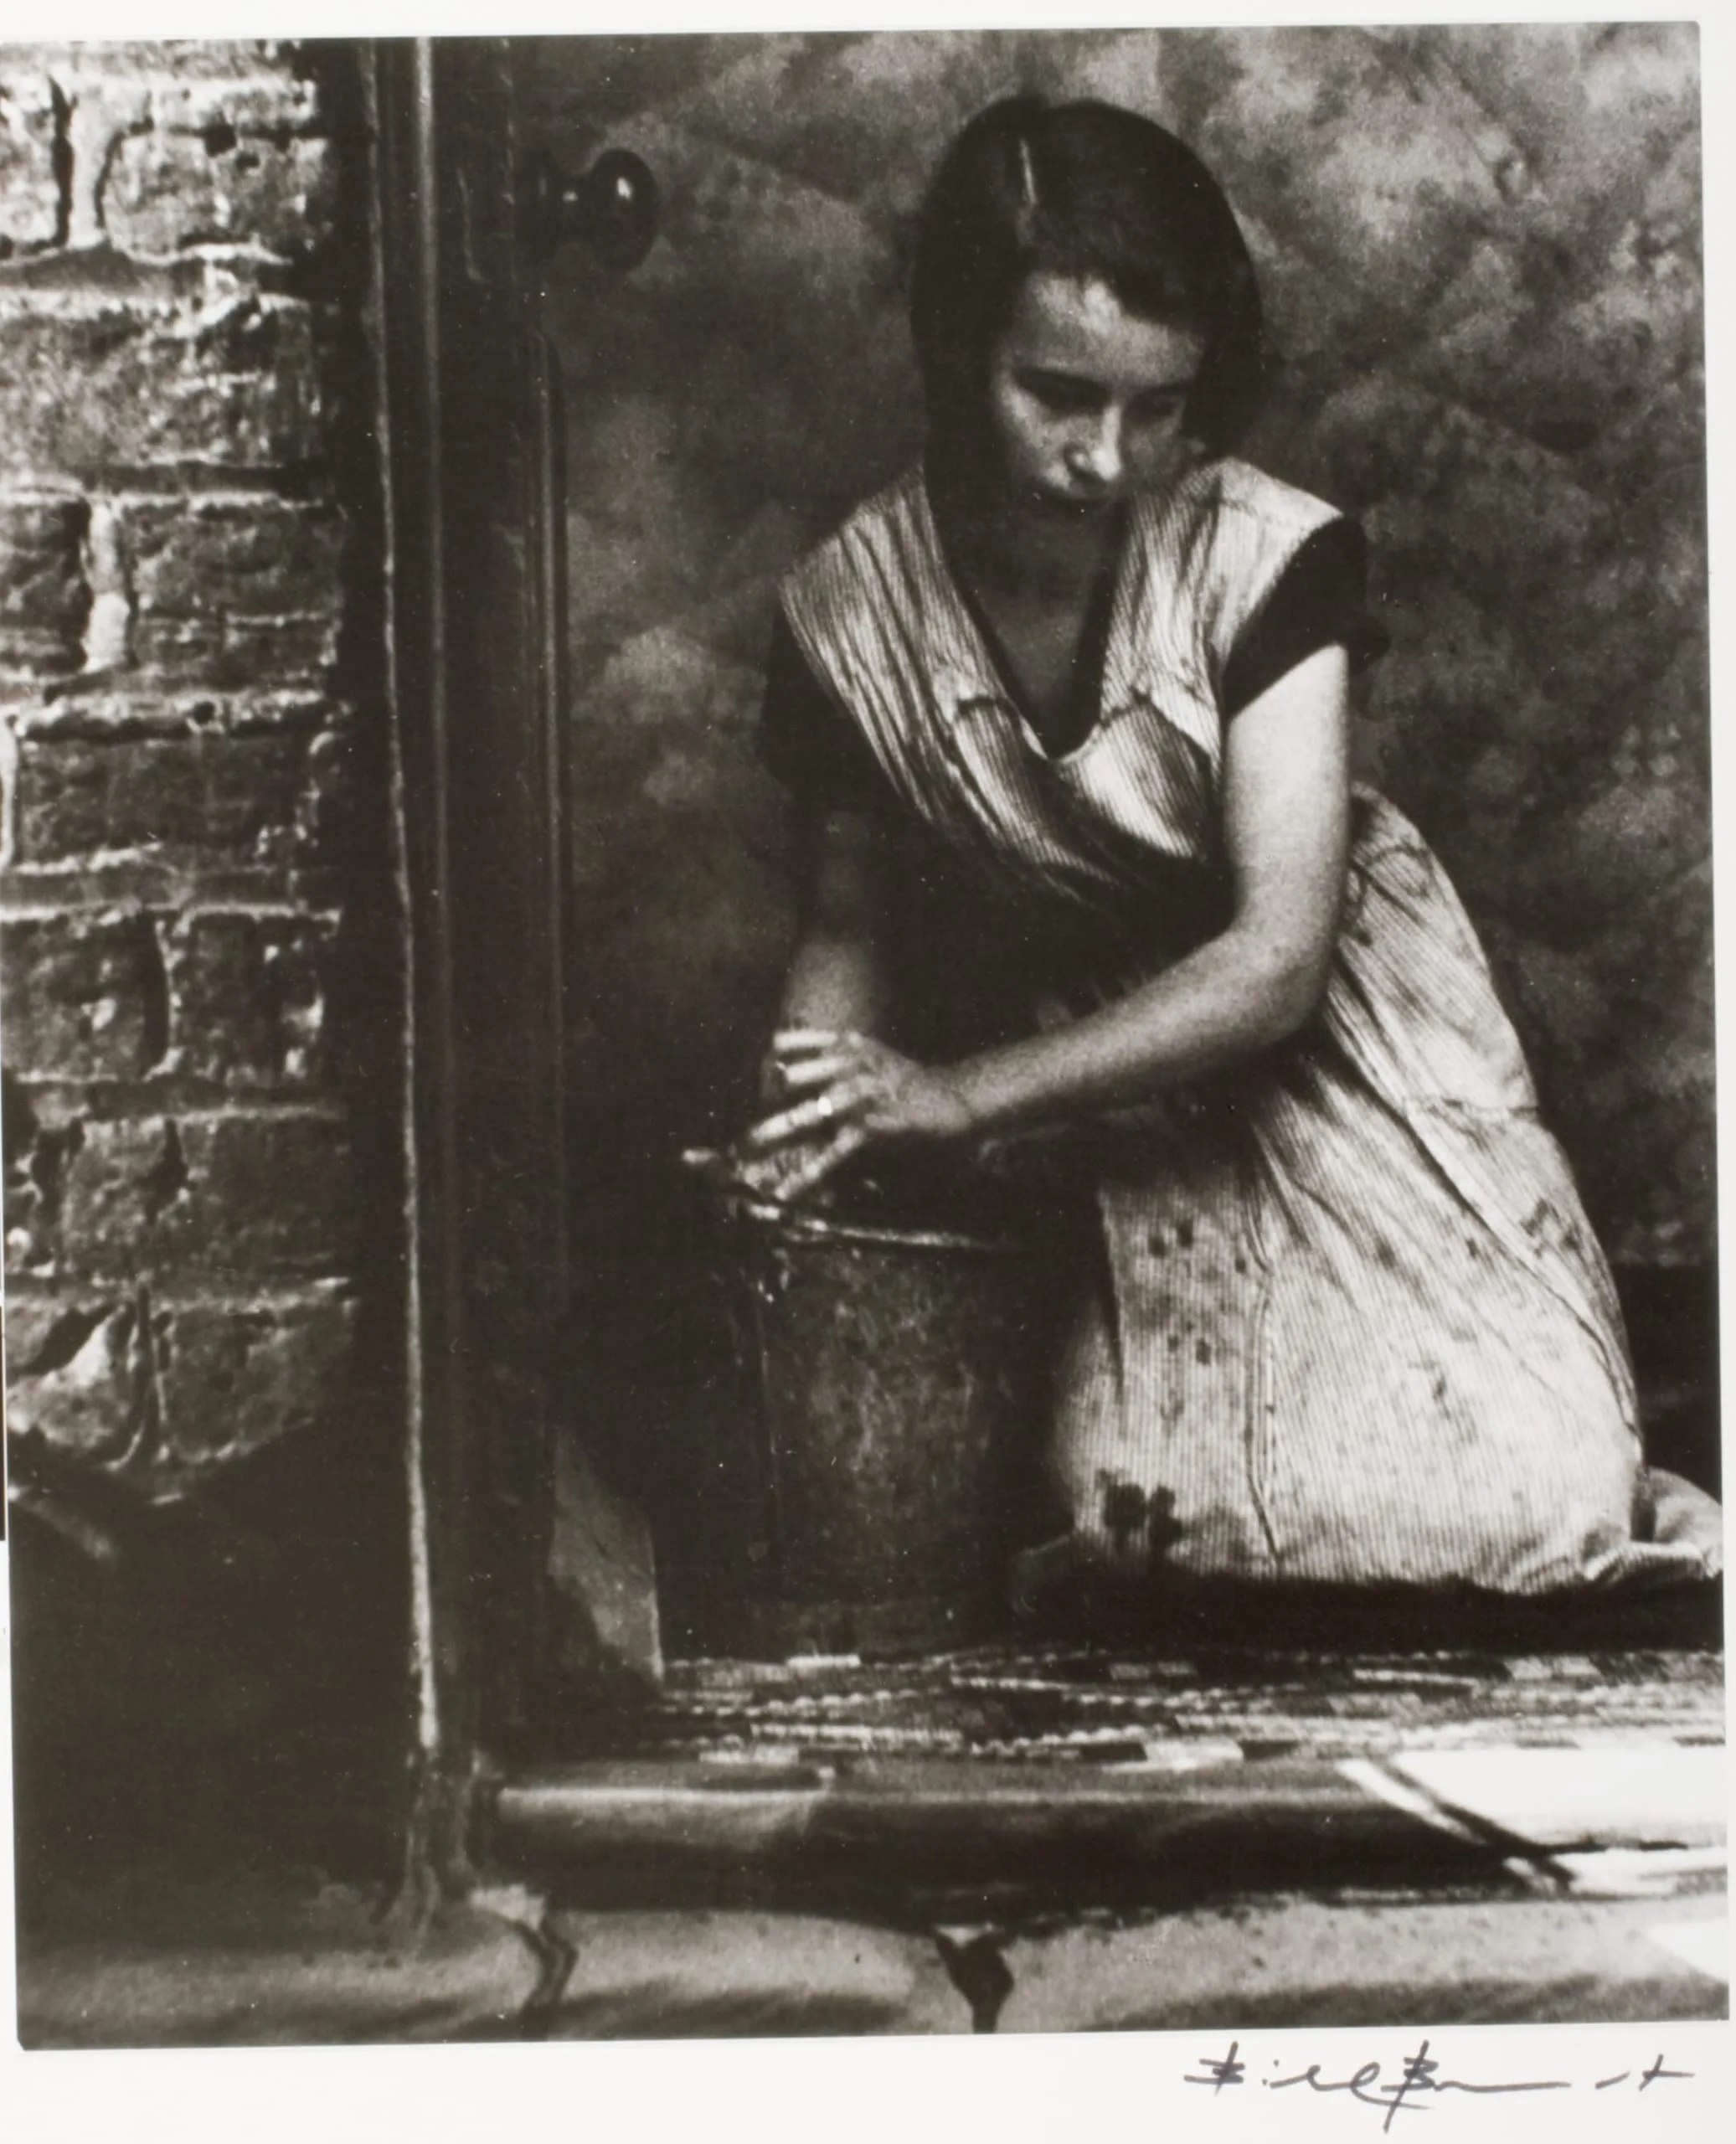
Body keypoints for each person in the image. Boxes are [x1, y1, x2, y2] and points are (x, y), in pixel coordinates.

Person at [735, 95, 1719, 1600]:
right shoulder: (846, 614)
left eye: (1160, 408)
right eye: (1057, 394)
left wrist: (959, 1097)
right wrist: (799, 1152)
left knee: (1536, 1511)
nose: (1106, 457)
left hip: (1336, 1033)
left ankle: (1588, 1451)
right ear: (955, 346)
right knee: (1141, 1530)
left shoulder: (1269, 557)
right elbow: (849, 932)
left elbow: (1276, 962)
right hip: (1106, 1082)